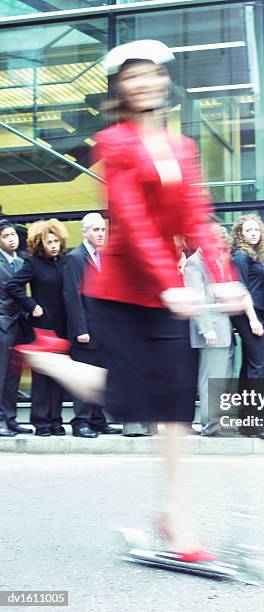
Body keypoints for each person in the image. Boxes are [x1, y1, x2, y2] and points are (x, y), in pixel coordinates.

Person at [10, 40, 244, 558]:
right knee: (125, 397)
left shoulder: (181, 147)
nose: (143, 83)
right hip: (122, 290)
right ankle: (43, 358)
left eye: (151, 74)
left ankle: (172, 517)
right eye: (131, 76)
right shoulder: (112, 142)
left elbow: (194, 215)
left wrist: (222, 273)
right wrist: (168, 281)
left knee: (176, 405)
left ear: (164, 80)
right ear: (119, 86)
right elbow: (133, 220)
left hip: (166, 293)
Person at [6, 219, 68, 437]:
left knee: (60, 376)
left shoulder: (64, 262)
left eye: (56, 241)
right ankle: (41, 423)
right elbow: (12, 286)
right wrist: (32, 306)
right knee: (41, 376)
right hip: (42, 327)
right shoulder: (32, 263)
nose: (53, 245)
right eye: (48, 242)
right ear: (40, 244)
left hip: (63, 326)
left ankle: (56, 420)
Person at [63, 213, 121, 438]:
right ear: (84, 232)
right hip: (85, 331)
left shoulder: (103, 257)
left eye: (103, 230)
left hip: (104, 329)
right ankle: (81, 422)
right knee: (84, 377)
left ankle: (98, 420)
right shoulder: (76, 257)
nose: (100, 234)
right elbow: (72, 295)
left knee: (99, 376)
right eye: (95, 230)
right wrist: (81, 329)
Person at [183, 224, 235, 437]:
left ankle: (219, 423)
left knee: (221, 380)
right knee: (211, 380)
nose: (219, 244)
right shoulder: (194, 263)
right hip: (211, 331)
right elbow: (196, 299)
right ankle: (211, 426)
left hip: (223, 328)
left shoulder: (216, 262)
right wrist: (206, 330)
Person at [230, 214, 264, 440]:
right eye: (248, 230)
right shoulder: (240, 256)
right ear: (240, 233)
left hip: (254, 314)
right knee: (259, 367)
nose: (253, 234)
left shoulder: (252, 257)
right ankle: (257, 423)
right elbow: (241, 290)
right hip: (249, 314)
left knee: (250, 369)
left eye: (256, 230)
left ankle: (247, 422)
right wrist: (253, 320)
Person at [0, 220, 33, 437]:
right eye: (6, 236)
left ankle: (11, 419)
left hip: (19, 324)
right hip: (2, 322)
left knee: (13, 376)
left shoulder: (21, 262)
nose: (13, 239)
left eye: (14, 235)